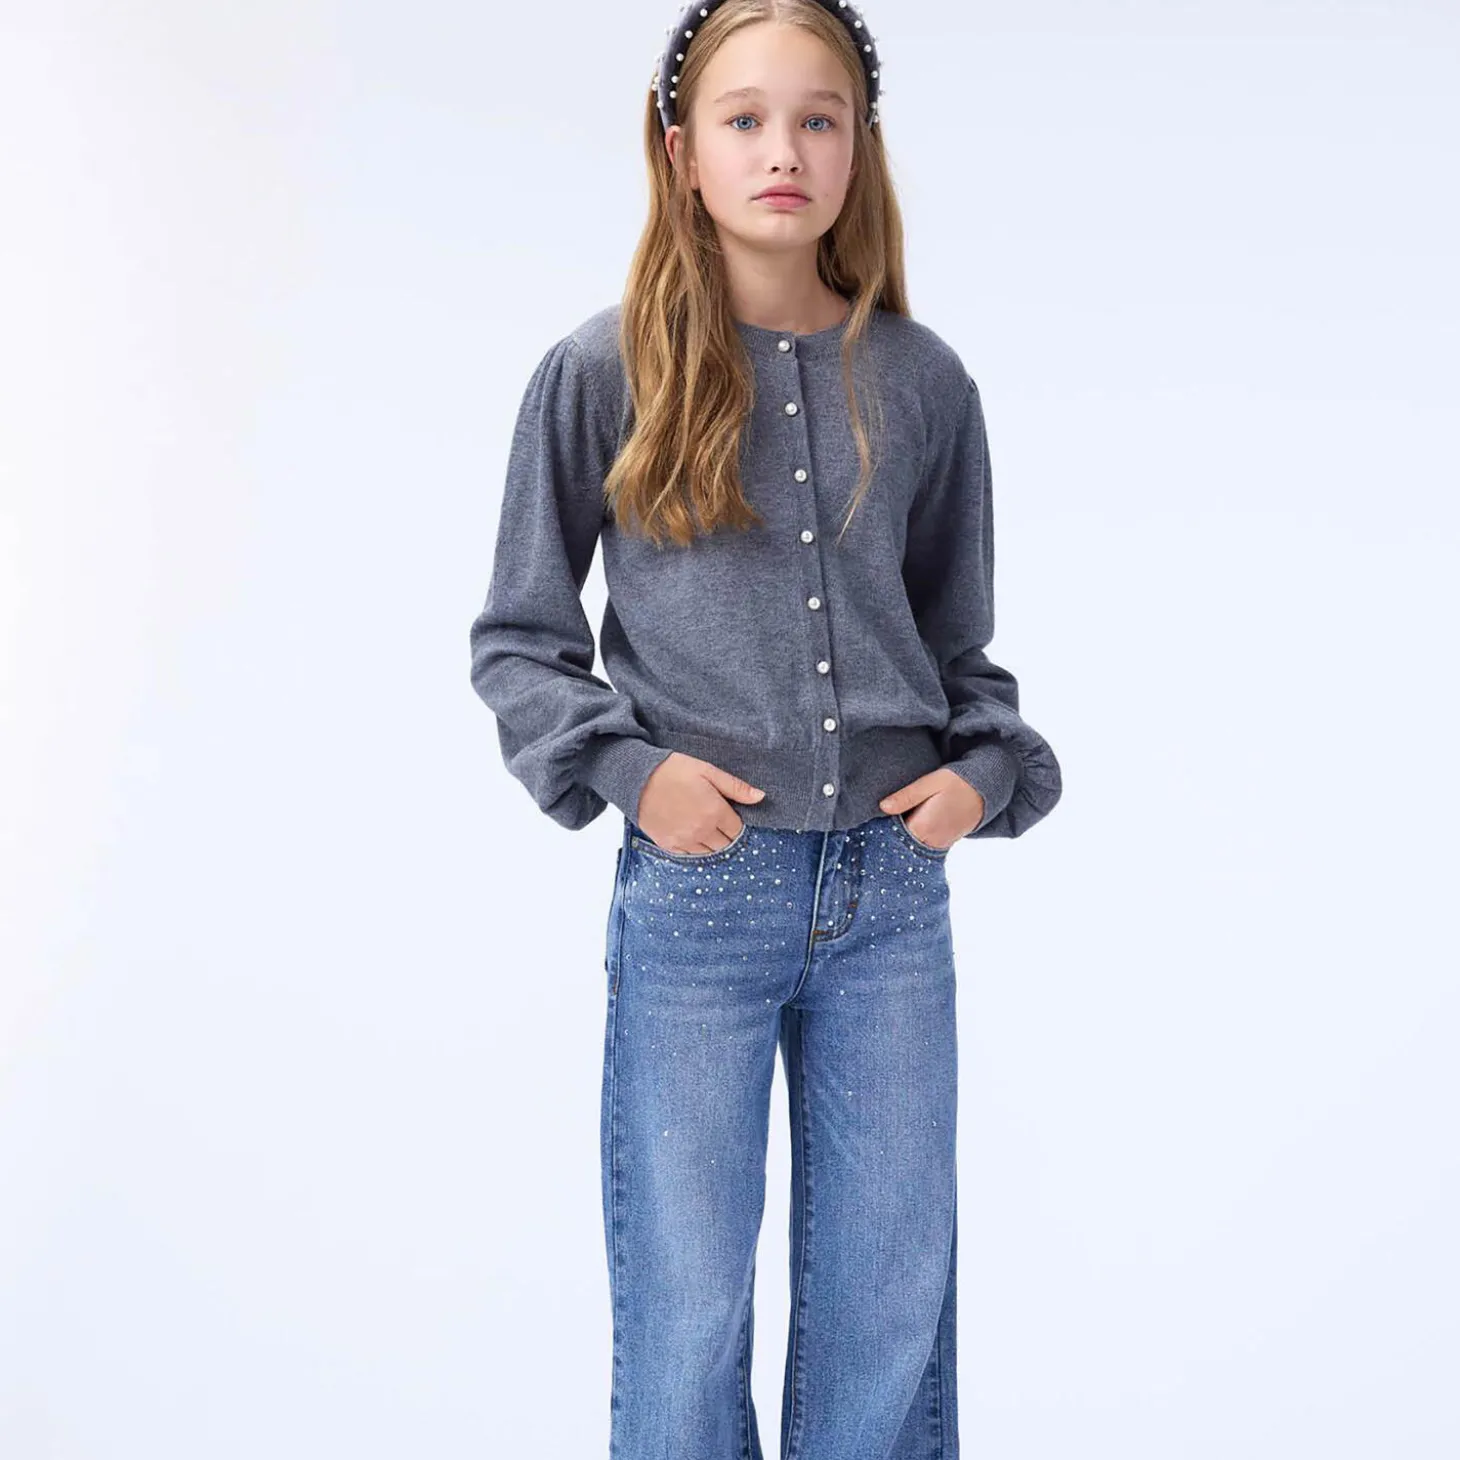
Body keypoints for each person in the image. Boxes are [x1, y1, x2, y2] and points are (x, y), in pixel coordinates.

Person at [467, 1, 1062, 1454]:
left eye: (817, 119)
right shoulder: (600, 372)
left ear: (861, 149)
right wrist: (630, 772)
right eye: (743, 119)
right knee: (687, 1299)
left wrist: (981, 781)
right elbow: (520, 640)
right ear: (679, 150)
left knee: (888, 1295)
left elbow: (961, 649)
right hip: (700, 891)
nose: (781, 149)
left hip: (892, 895)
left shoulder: (924, 382)